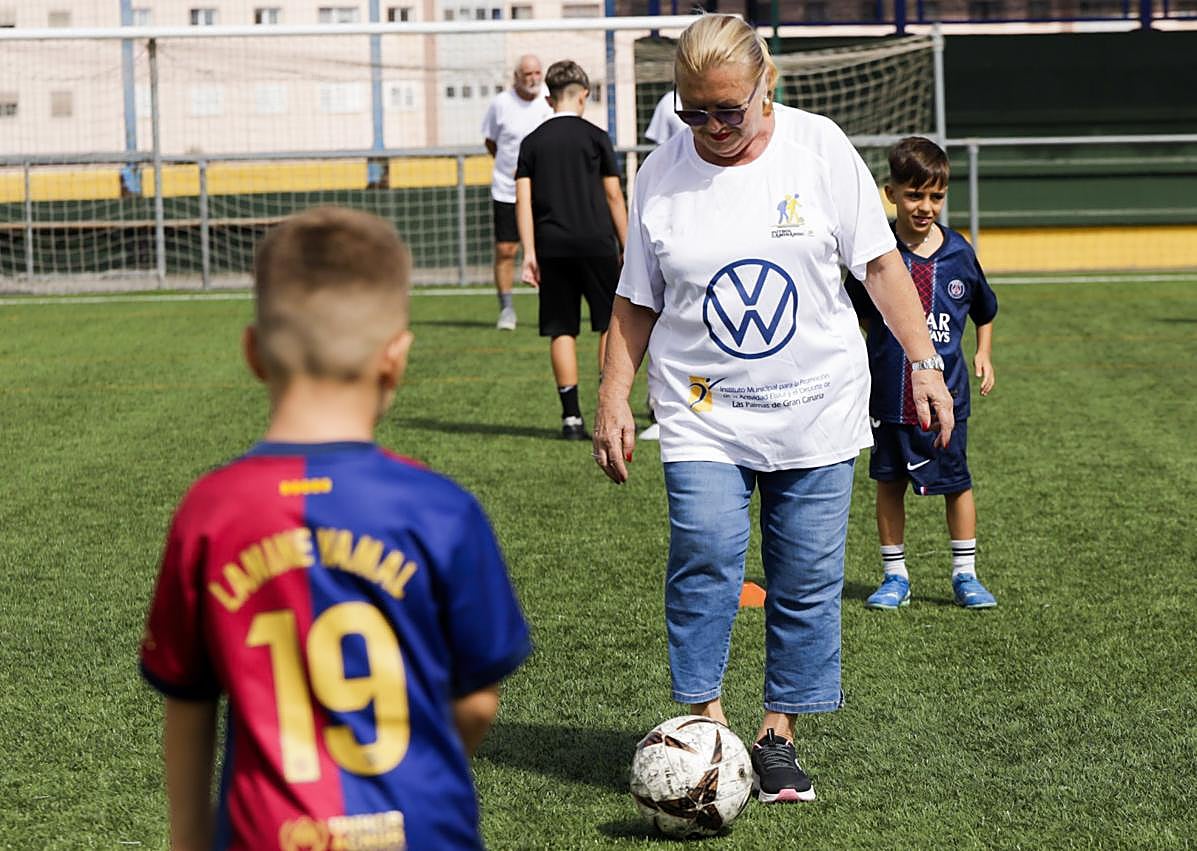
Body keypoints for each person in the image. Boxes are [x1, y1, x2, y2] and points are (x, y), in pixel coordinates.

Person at [591, 14, 956, 805]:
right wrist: (613, 395)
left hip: (815, 407)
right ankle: (706, 727)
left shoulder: (819, 148)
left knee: (805, 577)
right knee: (706, 549)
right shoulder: (661, 173)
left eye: (729, 109)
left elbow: (882, 266)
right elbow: (633, 299)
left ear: (768, 86)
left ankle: (778, 736)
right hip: (699, 409)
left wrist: (924, 364)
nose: (712, 128)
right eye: (694, 111)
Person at [139, 207, 532, 850]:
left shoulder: (210, 510)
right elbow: (478, 700)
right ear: (396, 358)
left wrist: (188, 838)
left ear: (253, 353)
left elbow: (187, 699)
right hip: (422, 830)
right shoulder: (438, 508)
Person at [845, 136, 998, 611]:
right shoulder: (876, 252)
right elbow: (857, 312)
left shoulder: (959, 252)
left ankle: (965, 575)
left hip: (946, 397)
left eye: (935, 195)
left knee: (958, 484)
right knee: (888, 483)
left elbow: (985, 309)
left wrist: (984, 353)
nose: (925, 206)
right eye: (914, 195)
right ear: (890, 194)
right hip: (888, 395)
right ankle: (895, 576)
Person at [515, 60, 627, 440]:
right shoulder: (597, 137)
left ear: (548, 98)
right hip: (597, 244)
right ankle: (605, 407)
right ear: (584, 95)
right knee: (607, 325)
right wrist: (628, 243)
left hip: (552, 246)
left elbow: (523, 201)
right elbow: (613, 194)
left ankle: (571, 419)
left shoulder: (532, 142)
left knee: (562, 328)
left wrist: (528, 252)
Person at [482, 54, 553, 330]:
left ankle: (550, 305)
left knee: (548, 249)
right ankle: (507, 309)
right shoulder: (500, 104)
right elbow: (490, 141)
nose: (533, 78)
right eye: (528, 74)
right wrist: (510, 168)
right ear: (517, 77)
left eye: (537, 72)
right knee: (506, 249)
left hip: (542, 190)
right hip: (507, 190)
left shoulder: (550, 100)